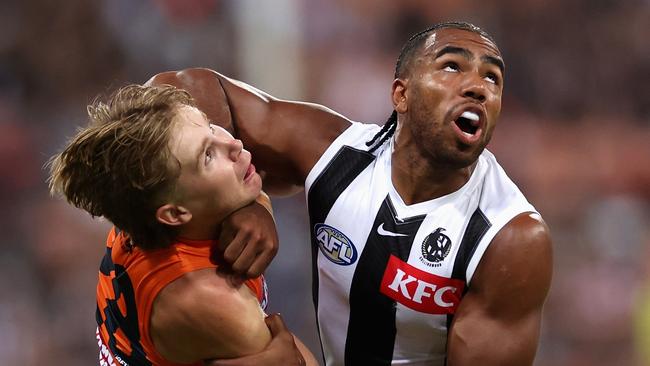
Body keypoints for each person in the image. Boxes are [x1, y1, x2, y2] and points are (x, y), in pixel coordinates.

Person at [148, 21, 553, 365]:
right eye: (452, 66)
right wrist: (243, 202)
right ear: (402, 94)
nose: (478, 88)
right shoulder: (334, 154)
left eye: (492, 78)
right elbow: (177, 88)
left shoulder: (509, 239)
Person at [47, 84, 317, 365]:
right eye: (208, 156)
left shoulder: (142, 209)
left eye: (211, 127)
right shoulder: (211, 299)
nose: (234, 144)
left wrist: (260, 206)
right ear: (174, 214)